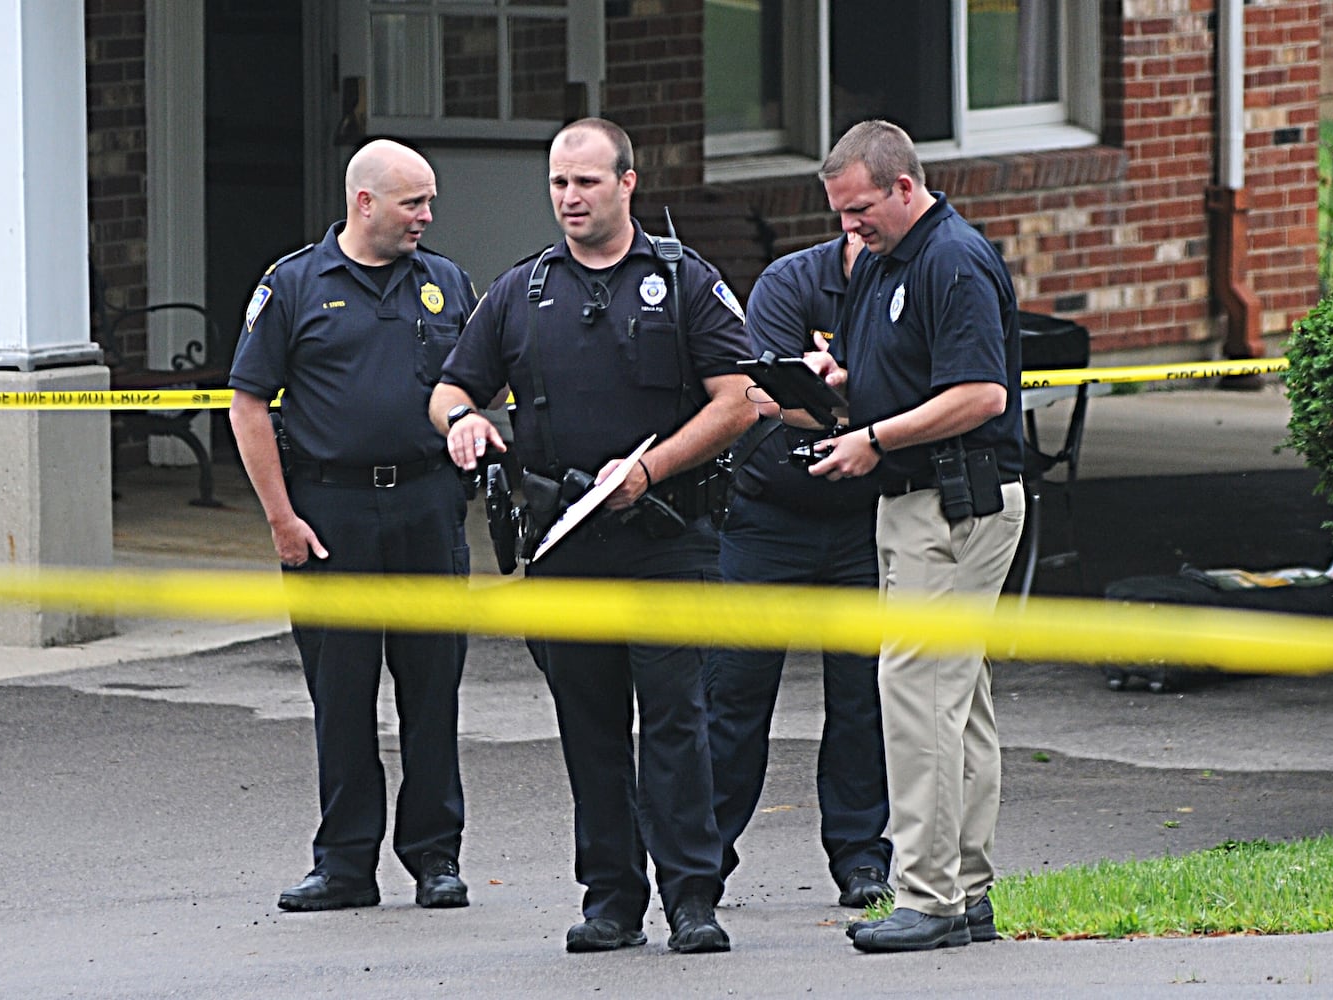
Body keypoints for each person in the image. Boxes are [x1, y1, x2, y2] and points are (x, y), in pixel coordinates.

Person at [429, 118, 754, 954]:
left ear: (627, 184)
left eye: (586, 183)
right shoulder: (521, 292)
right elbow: (452, 386)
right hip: (564, 545)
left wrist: (649, 472)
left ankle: (693, 897)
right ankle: (612, 898)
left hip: (666, 534)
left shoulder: (682, 281)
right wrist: (463, 422)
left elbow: (738, 399)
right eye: (558, 184)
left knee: (676, 722)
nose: (570, 198)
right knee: (590, 725)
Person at [781, 120, 1026, 952]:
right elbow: (901, 375)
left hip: (953, 501)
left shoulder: (949, 258)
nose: (850, 229)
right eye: (840, 216)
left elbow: (980, 394)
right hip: (918, 502)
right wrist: (841, 385)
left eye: (859, 211)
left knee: (920, 695)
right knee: (959, 701)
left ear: (903, 187)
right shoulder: (891, 264)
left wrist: (876, 439)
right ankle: (968, 888)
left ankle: (930, 897)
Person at [228, 138, 477, 913]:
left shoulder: (446, 282)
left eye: (430, 202)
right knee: (342, 696)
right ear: (364, 202)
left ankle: (435, 857)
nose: (427, 217)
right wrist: (280, 519)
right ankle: (344, 864)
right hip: (329, 514)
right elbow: (248, 405)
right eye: (414, 203)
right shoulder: (294, 285)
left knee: (432, 691)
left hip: (427, 507)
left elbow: (482, 381)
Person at [703, 233, 892, 910]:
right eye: (853, 216)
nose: (864, 231)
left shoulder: (910, 281)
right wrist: (861, 398)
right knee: (733, 695)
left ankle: (862, 858)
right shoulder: (790, 283)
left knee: (863, 699)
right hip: (769, 516)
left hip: (867, 520)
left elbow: (924, 391)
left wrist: (851, 396)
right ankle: (702, 861)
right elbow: (773, 397)